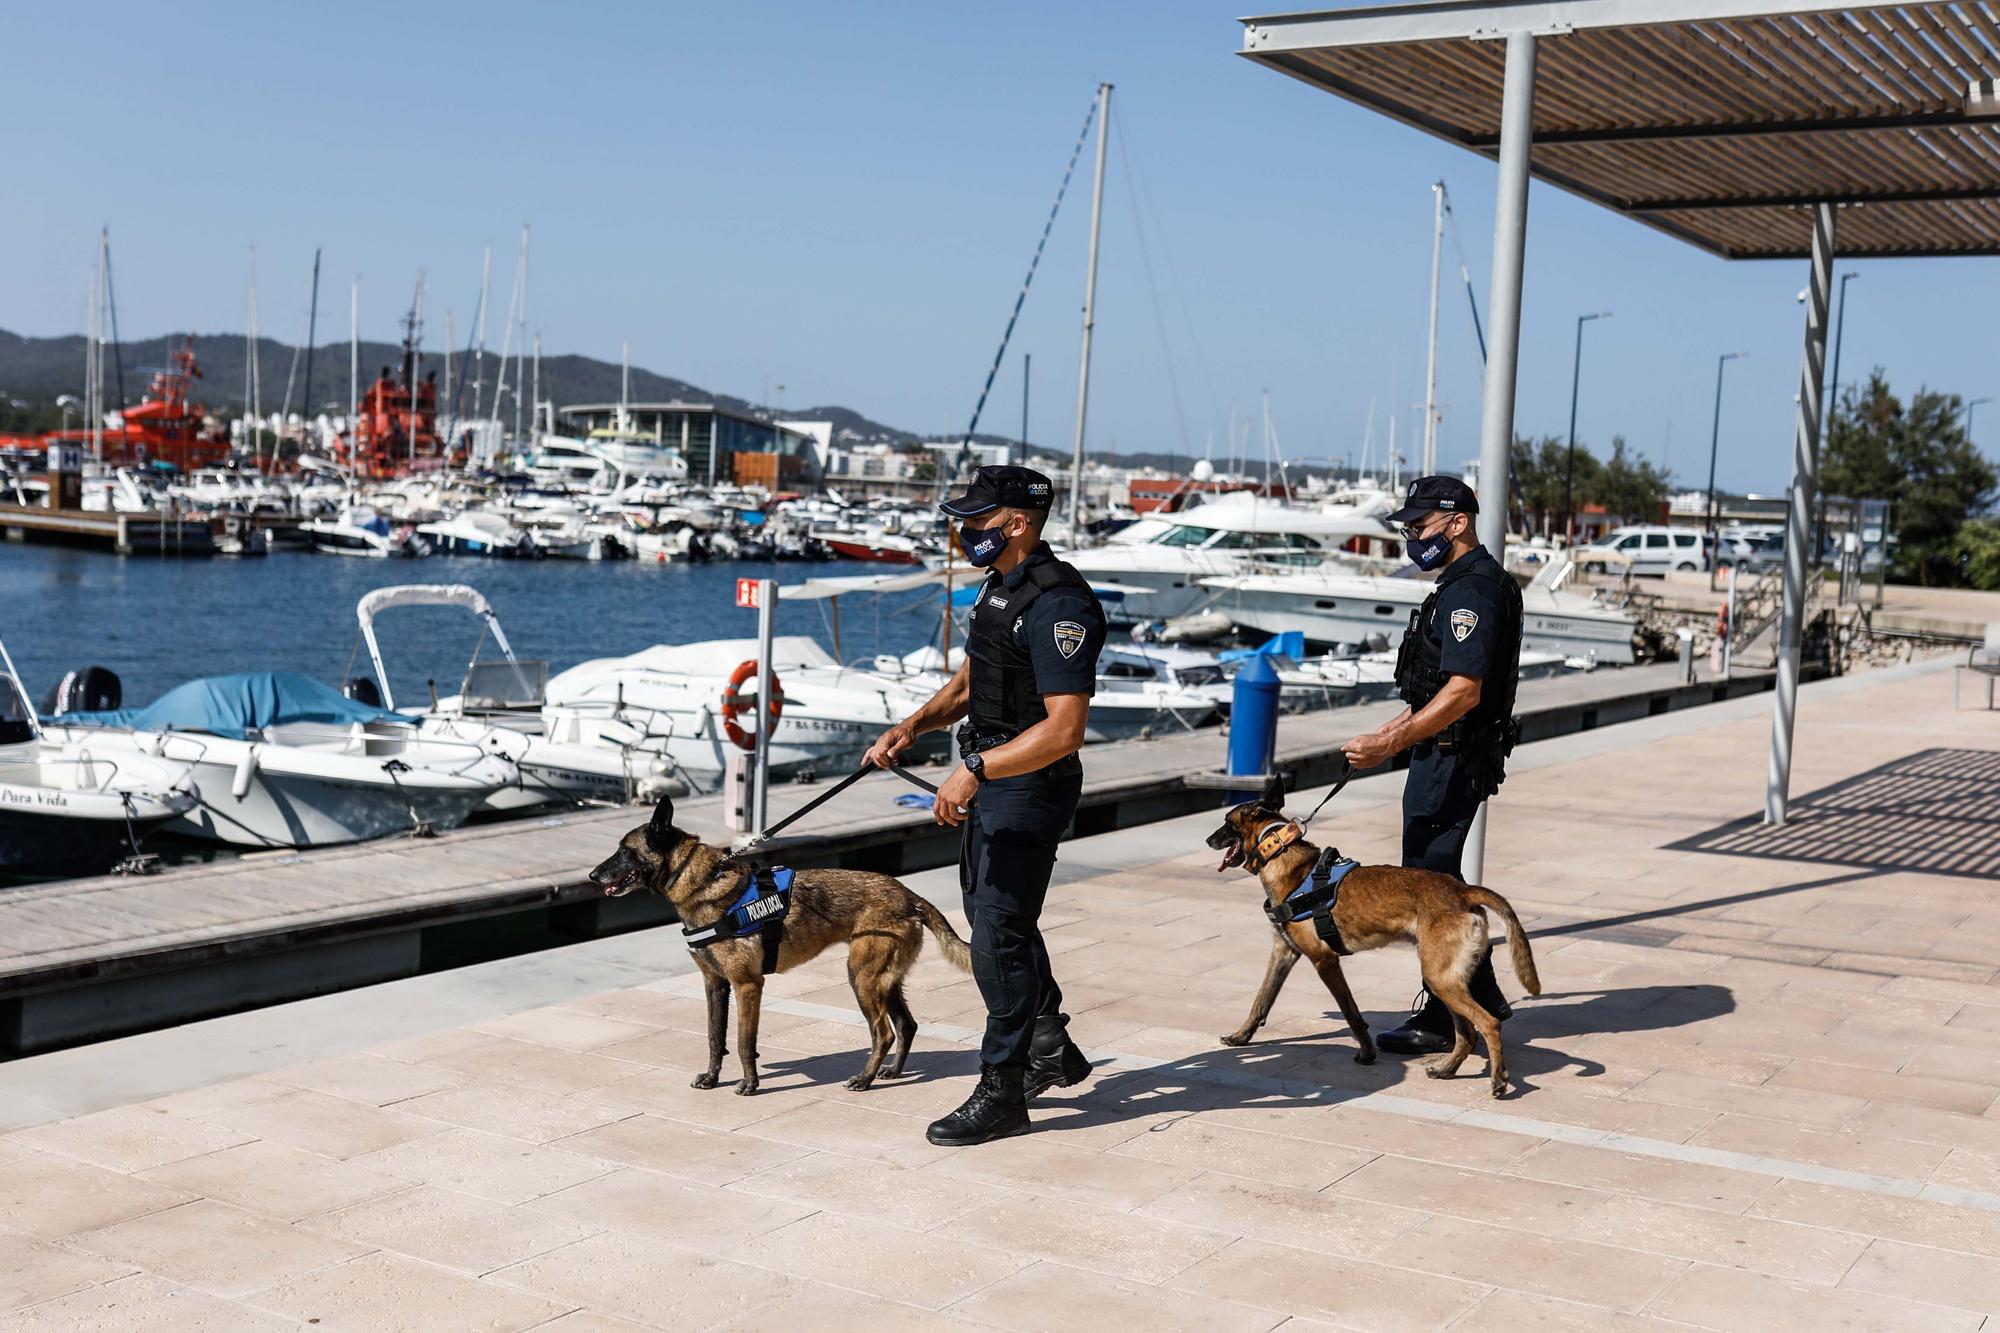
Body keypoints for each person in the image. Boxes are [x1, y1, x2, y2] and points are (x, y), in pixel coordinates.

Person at [863, 464, 1106, 1145]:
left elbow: (1064, 729)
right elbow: (975, 679)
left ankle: (1003, 1087)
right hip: (994, 771)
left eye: (976, 521)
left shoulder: (1062, 603)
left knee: (996, 936)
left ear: (1018, 522)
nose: (963, 531)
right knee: (996, 920)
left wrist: (974, 769)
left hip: (1030, 783)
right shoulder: (1001, 587)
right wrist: (913, 726)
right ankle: (1051, 1042)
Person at [1341, 474, 1524, 1055]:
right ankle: (1483, 998)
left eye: (1418, 526)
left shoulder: (1473, 592)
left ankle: (1446, 1019)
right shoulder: (1464, 584)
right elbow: (1432, 693)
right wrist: (1387, 736)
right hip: (1443, 753)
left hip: (1452, 759)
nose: (1411, 537)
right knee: (1434, 881)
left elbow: (1463, 693)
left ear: (1457, 522)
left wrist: (1392, 746)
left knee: (1430, 892)